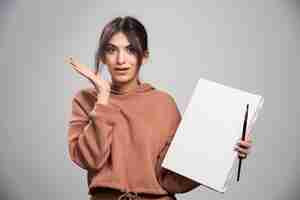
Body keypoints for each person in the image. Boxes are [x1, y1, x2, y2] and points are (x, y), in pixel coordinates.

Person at [66, 16, 253, 200]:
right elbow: (91, 160)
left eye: (131, 50)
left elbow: (171, 179)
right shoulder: (86, 99)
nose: (121, 59)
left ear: (144, 56)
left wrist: (226, 149)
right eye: (112, 50)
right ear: (103, 57)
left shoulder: (164, 104)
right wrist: (104, 98)